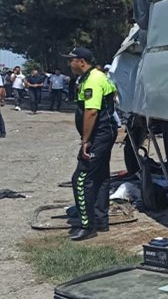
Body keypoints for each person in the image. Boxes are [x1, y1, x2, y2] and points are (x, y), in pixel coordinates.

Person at [64, 47, 118, 241]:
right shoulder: (90, 77)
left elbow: (91, 112)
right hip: (104, 133)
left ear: (82, 61)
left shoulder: (93, 80)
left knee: (80, 178)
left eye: (72, 60)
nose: (70, 64)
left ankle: (87, 225)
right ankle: (101, 221)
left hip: (99, 135)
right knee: (101, 176)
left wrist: (85, 141)